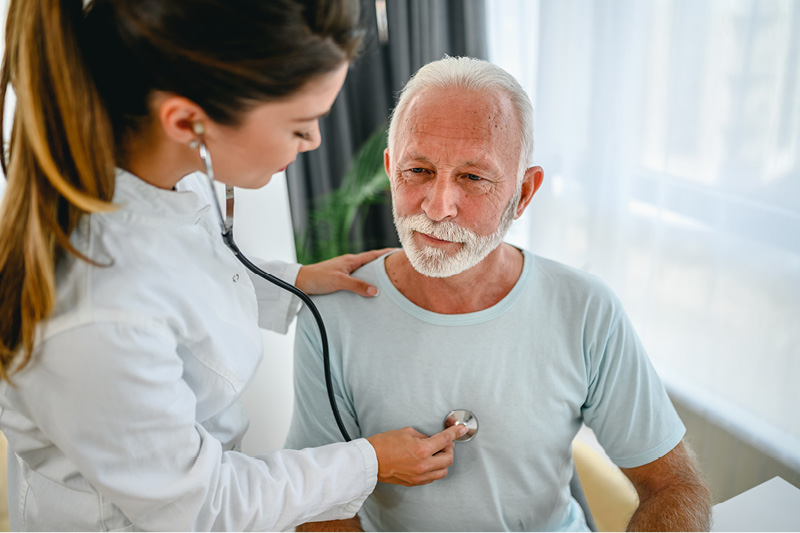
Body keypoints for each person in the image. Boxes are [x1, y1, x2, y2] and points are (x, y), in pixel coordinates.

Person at [0, 1, 468, 530]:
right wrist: (370, 461)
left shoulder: (165, 171)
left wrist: (294, 281)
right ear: (186, 121)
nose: (315, 140)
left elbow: (184, 267)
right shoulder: (96, 314)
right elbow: (204, 505)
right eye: (300, 125)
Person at [285, 56, 713, 532]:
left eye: (472, 178)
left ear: (524, 193)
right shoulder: (331, 315)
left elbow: (674, 486)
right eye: (418, 170)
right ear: (390, 170)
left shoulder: (586, 309)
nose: (438, 206)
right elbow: (321, 507)